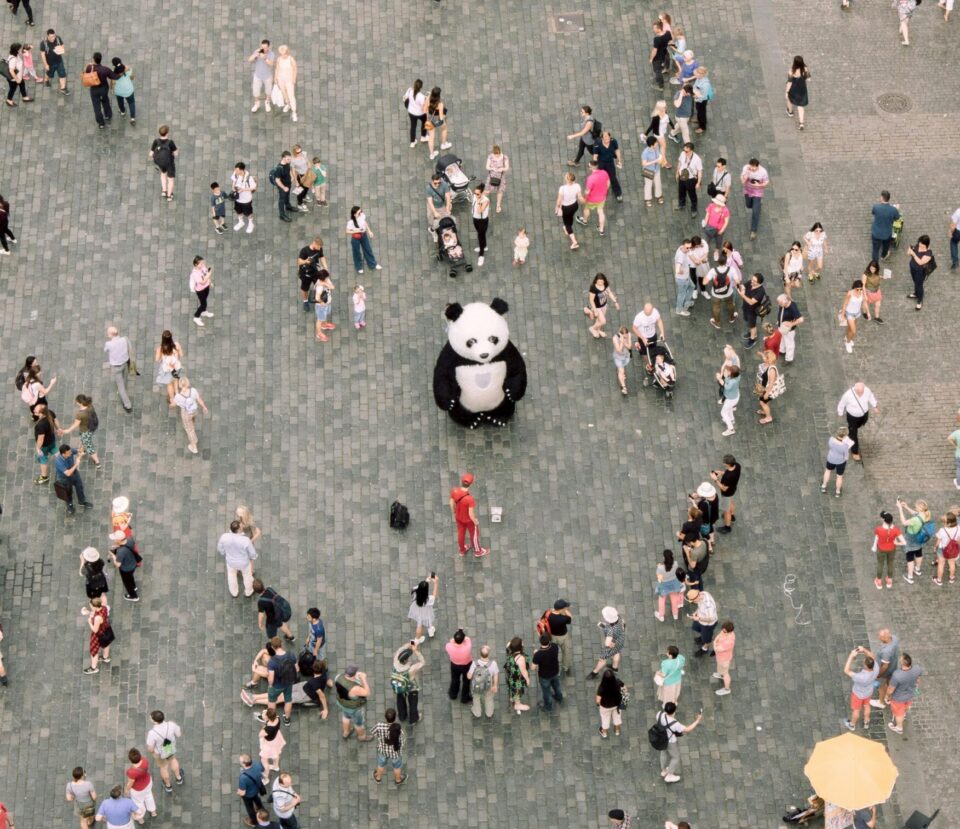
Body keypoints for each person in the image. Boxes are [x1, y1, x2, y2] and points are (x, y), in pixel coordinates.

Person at [656, 702, 703, 783]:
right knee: (675, 757)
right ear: (674, 711)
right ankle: (669, 775)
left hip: (661, 739)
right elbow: (688, 729)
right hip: (670, 742)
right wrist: (697, 720)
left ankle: (663, 771)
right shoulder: (675, 724)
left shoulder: (659, 714)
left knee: (663, 753)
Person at [836, 382, 878, 462]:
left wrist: (875, 406)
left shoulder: (866, 390)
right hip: (852, 417)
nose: (861, 393)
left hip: (864, 415)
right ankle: (855, 452)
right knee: (854, 433)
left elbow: (871, 397)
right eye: (860, 392)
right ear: (855, 390)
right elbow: (842, 404)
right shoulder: (848, 395)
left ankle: (851, 431)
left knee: (859, 426)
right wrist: (840, 413)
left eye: (862, 391)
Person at [449, 473, 488, 557]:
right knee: (474, 534)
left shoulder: (454, 491)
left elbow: (451, 503)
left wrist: (454, 511)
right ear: (471, 484)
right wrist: (475, 521)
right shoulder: (469, 499)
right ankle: (478, 551)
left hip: (458, 517)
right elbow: (470, 513)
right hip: (468, 520)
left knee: (461, 533)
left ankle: (462, 550)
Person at [897, 498, 934, 583]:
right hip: (920, 538)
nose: (915, 508)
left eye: (915, 507)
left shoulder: (915, 520)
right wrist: (906, 507)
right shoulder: (926, 514)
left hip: (911, 539)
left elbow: (904, 522)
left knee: (910, 557)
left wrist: (900, 508)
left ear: (918, 508)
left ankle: (910, 577)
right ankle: (917, 569)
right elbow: (915, 513)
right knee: (918, 553)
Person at [146, 711, 184, 794]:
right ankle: (179, 778)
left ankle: (168, 786)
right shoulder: (171, 725)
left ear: (154, 721)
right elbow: (179, 734)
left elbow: (151, 748)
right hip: (170, 748)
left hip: (160, 754)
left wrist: (152, 753)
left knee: (163, 767)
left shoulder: (152, 733)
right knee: (173, 760)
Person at [218, 520, 258, 597]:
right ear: (238, 530)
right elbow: (252, 553)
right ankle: (248, 591)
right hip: (244, 563)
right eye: (241, 526)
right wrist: (252, 558)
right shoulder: (245, 540)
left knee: (231, 575)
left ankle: (234, 592)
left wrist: (225, 554)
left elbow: (220, 549)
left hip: (231, 562)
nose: (242, 526)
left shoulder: (224, 537)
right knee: (247, 576)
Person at [843, 647, 879, 731]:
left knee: (856, 710)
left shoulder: (861, 677)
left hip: (858, 695)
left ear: (866, 666)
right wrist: (864, 650)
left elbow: (846, 671)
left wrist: (851, 656)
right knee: (867, 706)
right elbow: (872, 656)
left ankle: (852, 725)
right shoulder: (876, 668)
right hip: (868, 692)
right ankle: (866, 721)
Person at [884, 653, 923, 733]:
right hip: (910, 695)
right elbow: (918, 680)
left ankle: (899, 727)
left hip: (898, 698)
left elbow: (890, 689)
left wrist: (887, 696)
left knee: (898, 714)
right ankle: (903, 715)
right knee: (905, 708)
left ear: (902, 663)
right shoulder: (917, 668)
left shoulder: (897, 675)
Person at [334, 665, 373, 740]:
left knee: (346, 716)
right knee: (358, 723)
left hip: (342, 703)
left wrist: (356, 677)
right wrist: (363, 678)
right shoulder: (354, 688)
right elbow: (367, 693)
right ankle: (362, 737)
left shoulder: (338, 677)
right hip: (353, 708)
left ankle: (346, 732)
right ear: (353, 676)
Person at [173, 377, 208, 455]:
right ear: (187, 383)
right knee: (192, 420)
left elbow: (174, 404)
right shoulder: (193, 390)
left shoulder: (178, 397)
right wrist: (204, 407)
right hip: (194, 410)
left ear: (180, 386)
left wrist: (175, 392)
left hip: (186, 413)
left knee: (190, 430)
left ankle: (194, 446)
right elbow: (199, 399)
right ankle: (192, 422)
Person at [391, 641, 424, 725]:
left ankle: (402, 716)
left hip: (400, 686)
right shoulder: (411, 668)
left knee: (400, 700)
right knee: (413, 703)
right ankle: (413, 719)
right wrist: (415, 650)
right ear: (406, 660)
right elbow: (422, 662)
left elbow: (400, 649)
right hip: (411, 688)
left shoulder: (395, 661)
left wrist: (409, 644)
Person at [54, 444, 93, 515]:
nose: (71, 453)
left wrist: (81, 451)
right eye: (68, 453)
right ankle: (70, 506)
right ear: (63, 454)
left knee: (79, 487)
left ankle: (82, 501)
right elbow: (68, 473)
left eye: (70, 451)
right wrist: (76, 464)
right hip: (64, 479)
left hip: (74, 474)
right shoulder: (58, 462)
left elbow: (78, 451)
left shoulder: (70, 451)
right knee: (68, 493)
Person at [587, 606, 626, 677]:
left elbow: (607, 643)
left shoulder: (610, 630)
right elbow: (623, 626)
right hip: (620, 640)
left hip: (613, 644)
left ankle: (594, 673)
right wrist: (605, 627)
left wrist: (610, 643)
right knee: (617, 652)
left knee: (602, 659)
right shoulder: (619, 618)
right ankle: (615, 668)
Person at [103, 327, 134, 412]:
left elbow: (105, 350)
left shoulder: (109, 344)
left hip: (116, 367)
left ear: (110, 335)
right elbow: (130, 347)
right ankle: (125, 386)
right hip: (125, 362)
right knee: (125, 376)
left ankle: (128, 405)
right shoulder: (124, 339)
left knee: (120, 387)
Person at [372, 709, 407, 785]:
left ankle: (378, 778)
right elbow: (402, 742)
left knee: (381, 765)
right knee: (397, 767)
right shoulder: (398, 730)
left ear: (385, 717)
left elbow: (374, 734)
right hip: (395, 753)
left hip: (383, 750)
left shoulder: (379, 726)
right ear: (394, 719)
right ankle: (398, 780)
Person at [531, 632, 563, 711]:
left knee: (546, 691)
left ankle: (548, 706)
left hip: (544, 676)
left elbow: (532, 667)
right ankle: (559, 697)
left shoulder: (538, 654)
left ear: (540, 642)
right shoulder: (555, 647)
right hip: (555, 671)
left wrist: (535, 653)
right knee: (557, 686)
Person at [872, 511, 905, 590]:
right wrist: (897, 543)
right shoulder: (895, 530)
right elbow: (904, 542)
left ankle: (879, 581)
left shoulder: (878, 529)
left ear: (883, 520)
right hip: (891, 549)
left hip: (881, 549)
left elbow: (876, 538)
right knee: (890, 563)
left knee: (880, 564)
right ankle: (889, 580)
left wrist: (874, 546)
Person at [123, 748, 157, 822]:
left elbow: (130, 782)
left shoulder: (131, 772)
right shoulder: (145, 760)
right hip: (148, 783)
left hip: (138, 790)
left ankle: (140, 818)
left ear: (130, 760)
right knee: (149, 796)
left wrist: (126, 789)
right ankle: (153, 811)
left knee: (138, 803)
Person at [740, 158, 770, 241]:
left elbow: (766, 182)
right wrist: (745, 177)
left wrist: (759, 186)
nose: (752, 168)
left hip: (757, 193)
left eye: (754, 167)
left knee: (755, 212)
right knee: (748, 205)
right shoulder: (746, 168)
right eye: (751, 166)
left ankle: (753, 230)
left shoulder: (763, 172)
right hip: (747, 191)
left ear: (758, 166)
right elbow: (742, 181)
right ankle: (758, 205)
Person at [345, 206, 381, 274]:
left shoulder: (362, 216)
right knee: (356, 253)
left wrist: (369, 231)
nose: (361, 213)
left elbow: (364, 223)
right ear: (354, 214)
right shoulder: (351, 222)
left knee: (368, 249)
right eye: (359, 212)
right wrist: (356, 231)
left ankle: (372, 264)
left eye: (361, 211)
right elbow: (347, 231)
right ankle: (359, 267)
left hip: (363, 235)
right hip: (356, 238)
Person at [578, 160, 610, 235]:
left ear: (591, 168)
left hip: (591, 199)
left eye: (588, 166)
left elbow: (587, 192)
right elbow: (608, 182)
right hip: (602, 197)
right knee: (601, 212)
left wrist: (584, 198)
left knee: (586, 208)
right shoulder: (604, 172)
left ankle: (585, 221)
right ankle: (601, 229)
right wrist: (605, 191)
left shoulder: (591, 179)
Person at [584, 272, 620, 339]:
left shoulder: (605, 285)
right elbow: (591, 300)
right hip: (597, 307)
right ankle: (593, 328)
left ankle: (598, 330)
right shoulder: (593, 288)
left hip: (604, 305)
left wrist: (615, 302)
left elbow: (609, 293)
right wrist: (595, 310)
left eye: (601, 281)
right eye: (599, 282)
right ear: (596, 281)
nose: (600, 283)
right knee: (603, 321)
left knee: (599, 320)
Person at [467, 645, 499, 719]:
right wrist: (495, 685)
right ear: (489, 654)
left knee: (476, 698)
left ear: (480, 653)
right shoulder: (493, 664)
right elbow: (495, 675)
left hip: (477, 685)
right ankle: (489, 713)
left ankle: (477, 712)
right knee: (489, 698)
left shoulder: (474, 663)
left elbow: (469, 676)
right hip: (488, 684)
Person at [821, 426, 854, 498]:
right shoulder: (845, 446)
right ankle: (837, 491)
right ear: (845, 436)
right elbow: (846, 456)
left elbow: (830, 446)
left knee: (828, 471)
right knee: (839, 476)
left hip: (831, 458)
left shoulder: (831, 439)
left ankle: (824, 486)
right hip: (840, 462)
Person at [82, 596, 112, 674]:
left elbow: (95, 630)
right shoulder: (104, 608)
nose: (90, 607)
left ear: (95, 606)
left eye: (91, 606)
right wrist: (88, 612)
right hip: (106, 628)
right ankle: (106, 657)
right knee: (106, 643)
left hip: (99, 634)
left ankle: (93, 668)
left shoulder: (97, 618)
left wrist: (89, 622)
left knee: (94, 651)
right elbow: (95, 612)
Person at [712, 455, 741, 532]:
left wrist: (715, 480)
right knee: (730, 502)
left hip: (727, 493)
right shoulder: (737, 465)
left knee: (726, 510)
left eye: (724, 463)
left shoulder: (729, 477)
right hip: (732, 489)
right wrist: (722, 473)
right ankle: (732, 516)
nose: (723, 463)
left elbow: (724, 488)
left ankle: (727, 527)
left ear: (728, 464)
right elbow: (728, 472)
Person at [592, 131, 623, 203]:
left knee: (613, 178)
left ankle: (618, 193)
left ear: (610, 137)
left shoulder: (613, 141)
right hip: (601, 163)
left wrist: (619, 160)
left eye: (608, 138)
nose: (607, 140)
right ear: (602, 138)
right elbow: (595, 156)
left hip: (610, 162)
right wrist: (595, 167)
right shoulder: (597, 144)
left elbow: (617, 150)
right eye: (605, 139)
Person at [148, 125, 178, 201]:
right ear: (167, 133)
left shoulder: (156, 141)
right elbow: (176, 153)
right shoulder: (170, 142)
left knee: (163, 174)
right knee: (170, 179)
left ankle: (164, 191)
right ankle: (169, 196)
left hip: (160, 163)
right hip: (169, 163)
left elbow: (151, 154)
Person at [654, 549, 685, 621]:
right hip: (674, 584)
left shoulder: (660, 568)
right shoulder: (676, 564)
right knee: (674, 599)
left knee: (661, 600)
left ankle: (661, 616)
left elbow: (659, 577)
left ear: (664, 557)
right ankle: (675, 614)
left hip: (664, 586)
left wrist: (659, 566)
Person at [870, 191, 901, 262]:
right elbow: (897, 218)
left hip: (876, 233)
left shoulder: (876, 207)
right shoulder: (893, 210)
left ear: (881, 198)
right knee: (886, 246)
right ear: (888, 199)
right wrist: (897, 209)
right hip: (887, 234)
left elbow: (873, 213)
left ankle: (875, 263)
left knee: (875, 249)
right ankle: (883, 256)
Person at [257, 708, 286, 783]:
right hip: (276, 739)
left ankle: (265, 778)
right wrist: (266, 714)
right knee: (276, 754)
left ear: (268, 717)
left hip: (269, 744)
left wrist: (265, 722)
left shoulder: (268, 729)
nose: (262, 714)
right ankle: (275, 766)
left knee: (264, 761)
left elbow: (260, 734)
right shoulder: (277, 717)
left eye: (264, 714)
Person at [33, 403, 59, 484]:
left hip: (44, 446)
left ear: (41, 413)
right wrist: (59, 429)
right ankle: (64, 461)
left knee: (42, 459)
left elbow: (41, 438)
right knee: (54, 450)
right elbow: (56, 420)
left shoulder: (40, 425)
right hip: (51, 440)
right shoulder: (49, 412)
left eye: (35, 411)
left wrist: (38, 448)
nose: (34, 411)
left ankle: (44, 477)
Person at [555, 171, 582, 250]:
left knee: (567, 223)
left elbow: (559, 199)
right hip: (574, 205)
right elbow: (579, 196)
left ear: (567, 180)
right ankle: (568, 228)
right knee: (570, 217)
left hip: (566, 207)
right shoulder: (577, 186)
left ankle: (574, 241)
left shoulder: (562, 188)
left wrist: (557, 207)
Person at [109, 530, 139, 601]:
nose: (114, 540)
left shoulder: (120, 552)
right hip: (133, 563)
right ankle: (134, 587)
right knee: (130, 577)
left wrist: (113, 555)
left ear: (118, 540)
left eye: (115, 539)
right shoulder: (130, 539)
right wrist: (117, 546)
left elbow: (118, 564)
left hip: (126, 569)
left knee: (127, 583)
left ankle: (134, 596)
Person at [236, 755, 266, 827]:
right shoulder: (257, 764)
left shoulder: (243, 777)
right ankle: (261, 809)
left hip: (249, 795)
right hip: (257, 788)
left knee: (249, 807)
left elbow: (242, 793)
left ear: (244, 764)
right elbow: (263, 770)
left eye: (240, 761)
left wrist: (238, 792)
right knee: (257, 799)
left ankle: (254, 821)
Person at [445, 628, 473, 704]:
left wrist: (457, 634)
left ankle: (453, 694)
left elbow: (451, 640)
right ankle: (465, 697)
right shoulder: (468, 646)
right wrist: (461, 632)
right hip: (466, 665)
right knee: (466, 681)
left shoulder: (449, 646)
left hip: (454, 665)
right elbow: (467, 638)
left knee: (455, 679)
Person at [906, 235, 934, 311]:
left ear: (926, 244)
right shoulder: (918, 245)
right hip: (913, 267)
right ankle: (916, 293)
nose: (919, 245)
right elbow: (909, 253)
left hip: (920, 271)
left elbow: (920, 262)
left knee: (919, 285)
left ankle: (920, 300)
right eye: (919, 243)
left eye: (921, 244)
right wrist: (909, 251)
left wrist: (913, 254)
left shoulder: (928, 253)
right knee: (915, 282)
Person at [595, 668, 625, 738]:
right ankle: (617, 731)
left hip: (605, 706)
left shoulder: (602, 687)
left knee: (605, 719)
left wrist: (598, 705)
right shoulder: (618, 682)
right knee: (617, 717)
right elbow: (625, 690)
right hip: (617, 704)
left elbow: (598, 700)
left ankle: (604, 733)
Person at [686, 589, 718, 655]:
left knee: (707, 640)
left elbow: (711, 619)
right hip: (701, 619)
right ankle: (702, 637)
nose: (693, 602)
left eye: (693, 601)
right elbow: (700, 607)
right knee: (695, 627)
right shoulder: (703, 593)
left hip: (708, 625)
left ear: (697, 597)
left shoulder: (708, 606)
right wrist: (695, 613)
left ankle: (704, 649)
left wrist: (698, 618)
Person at [408, 574, 438, 641]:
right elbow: (434, 594)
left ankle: (417, 639)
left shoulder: (415, 591)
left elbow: (420, 587)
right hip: (426, 611)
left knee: (419, 624)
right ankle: (429, 632)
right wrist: (435, 583)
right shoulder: (428, 599)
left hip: (417, 609)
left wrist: (427, 580)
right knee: (428, 620)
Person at [504, 636, 531, 714]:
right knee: (517, 691)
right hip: (517, 679)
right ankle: (517, 704)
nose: (523, 643)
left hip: (510, 674)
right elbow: (523, 671)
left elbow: (510, 643)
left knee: (512, 688)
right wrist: (527, 679)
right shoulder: (520, 659)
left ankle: (512, 697)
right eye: (521, 643)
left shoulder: (509, 647)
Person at [675, 142, 703, 215]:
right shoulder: (682, 153)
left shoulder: (697, 159)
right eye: (684, 150)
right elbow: (680, 162)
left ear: (691, 150)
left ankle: (694, 208)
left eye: (686, 151)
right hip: (682, 176)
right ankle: (681, 204)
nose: (685, 152)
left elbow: (699, 171)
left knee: (692, 194)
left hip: (690, 179)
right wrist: (677, 172)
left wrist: (698, 182)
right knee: (681, 191)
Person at [756, 349, 782, 425]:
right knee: (763, 402)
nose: (763, 358)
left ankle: (768, 417)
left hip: (767, 390)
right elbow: (764, 356)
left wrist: (766, 394)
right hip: (763, 387)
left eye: (765, 357)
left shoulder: (771, 370)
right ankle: (764, 411)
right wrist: (761, 354)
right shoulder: (767, 363)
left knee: (763, 403)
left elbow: (771, 384)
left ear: (768, 360)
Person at [933, 511, 960, 586]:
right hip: (954, 550)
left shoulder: (942, 530)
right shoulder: (959, 528)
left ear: (949, 523)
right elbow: (959, 540)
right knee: (952, 563)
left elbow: (938, 541)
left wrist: (935, 547)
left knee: (941, 564)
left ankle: (939, 580)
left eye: (944, 522)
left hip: (942, 550)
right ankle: (951, 578)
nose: (943, 523)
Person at [424, 87, 452, 160]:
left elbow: (424, 110)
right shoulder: (440, 104)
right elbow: (441, 117)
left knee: (431, 137)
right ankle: (444, 144)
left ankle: (432, 154)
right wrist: (444, 116)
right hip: (438, 121)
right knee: (444, 129)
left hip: (429, 121)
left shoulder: (428, 98)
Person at [39, 29, 69, 94]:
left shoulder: (58, 38)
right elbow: (42, 54)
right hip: (50, 63)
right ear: (47, 36)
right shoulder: (43, 43)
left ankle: (63, 88)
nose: (53, 38)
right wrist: (46, 64)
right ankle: (46, 80)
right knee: (49, 74)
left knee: (62, 74)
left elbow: (62, 45)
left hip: (59, 61)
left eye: (54, 36)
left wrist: (61, 49)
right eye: (51, 37)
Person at [838, 280, 865, 353]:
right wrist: (843, 315)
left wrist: (866, 312)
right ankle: (848, 342)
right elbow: (845, 304)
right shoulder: (850, 293)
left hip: (857, 313)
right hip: (849, 313)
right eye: (857, 289)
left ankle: (847, 337)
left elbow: (863, 302)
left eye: (861, 289)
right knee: (853, 331)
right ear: (854, 288)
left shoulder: (862, 292)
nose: (859, 291)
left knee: (850, 328)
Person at [776, 293, 804, 363]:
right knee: (782, 338)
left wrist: (791, 324)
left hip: (788, 330)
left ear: (786, 301)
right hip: (782, 327)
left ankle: (789, 359)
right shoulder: (784, 304)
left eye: (780, 303)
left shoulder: (792, 308)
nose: (779, 304)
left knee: (789, 344)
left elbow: (801, 319)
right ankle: (782, 350)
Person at [272, 45, 297, 121]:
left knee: (291, 95)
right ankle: (287, 104)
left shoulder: (291, 59)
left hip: (289, 80)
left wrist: (294, 79)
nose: (283, 55)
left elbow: (295, 69)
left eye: (284, 53)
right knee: (284, 93)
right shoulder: (279, 59)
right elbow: (277, 69)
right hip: (281, 79)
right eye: (281, 53)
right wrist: (275, 78)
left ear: (287, 52)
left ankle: (294, 112)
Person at [231, 162, 257, 234]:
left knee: (248, 213)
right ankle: (241, 222)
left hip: (246, 200)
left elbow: (253, 187)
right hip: (238, 198)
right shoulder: (236, 174)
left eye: (237, 170)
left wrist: (243, 189)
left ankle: (251, 224)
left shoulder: (249, 178)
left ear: (241, 170)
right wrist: (233, 187)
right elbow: (233, 181)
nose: (235, 171)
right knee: (238, 211)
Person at [249, 40, 275, 113]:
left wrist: (265, 58)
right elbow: (249, 60)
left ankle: (267, 102)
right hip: (258, 76)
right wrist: (255, 56)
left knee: (268, 91)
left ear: (269, 47)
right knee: (256, 91)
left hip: (267, 76)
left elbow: (271, 64)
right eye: (261, 47)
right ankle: (257, 103)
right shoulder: (257, 51)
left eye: (265, 47)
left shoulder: (271, 54)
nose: (263, 49)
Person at [785, 56, 810, 129]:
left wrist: (786, 92)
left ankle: (790, 112)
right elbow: (809, 79)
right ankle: (801, 123)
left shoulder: (791, 71)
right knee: (800, 106)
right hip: (802, 89)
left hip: (794, 89)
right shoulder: (805, 69)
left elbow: (789, 83)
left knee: (789, 98)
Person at [189, 255, 214, 327]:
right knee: (203, 304)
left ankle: (203, 311)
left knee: (204, 300)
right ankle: (196, 317)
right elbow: (202, 282)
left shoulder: (202, 267)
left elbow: (205, 274)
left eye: (203, 263)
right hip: (200, 290)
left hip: (206, 287)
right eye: (201, 264)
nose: (203, 265)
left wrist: (209, 282)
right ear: (196, 264)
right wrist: (209, 275)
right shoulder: (195, 274)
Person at [641, 135, 666, 209]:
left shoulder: (656, 147)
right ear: (652, 145)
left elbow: (659, 154)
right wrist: (655, 161)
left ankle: (659, 196)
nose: (657, 143)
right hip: (648, 170)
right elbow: (644, 163)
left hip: (657, 169)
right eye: (655, 143)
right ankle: (648, 199)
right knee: (648, 184)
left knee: (658, 183)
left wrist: (662, 159)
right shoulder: (645, 153)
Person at [712, 621, 736, 695]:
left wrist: (714, 643)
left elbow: (717, 649)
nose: (722, 631)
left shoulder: (729, 641)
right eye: (722, 629)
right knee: (719, 667)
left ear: (729, 631)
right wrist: (715, 642)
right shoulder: (725, 632)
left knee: (726, 673)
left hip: (724, 659)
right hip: (720, 657)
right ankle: (720, 674)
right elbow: (718, 636)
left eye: (724, 631)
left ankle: (727, 689)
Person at [485, 144, 510, 212]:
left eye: (498, 154)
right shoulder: (490, 156)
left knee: (500, 191)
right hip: (492, 176)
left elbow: (507, 167)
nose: (496, 155)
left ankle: (498, 206)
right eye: (495, 154)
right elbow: (487, 167)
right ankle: (483, 201)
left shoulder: (504, 157)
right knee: (487, 190)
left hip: (501, 177)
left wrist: (502, 169)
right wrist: (492, 168)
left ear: (500, 151)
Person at [471, 183, 491, 266]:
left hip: (482, 221)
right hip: (475, 219)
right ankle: (484, 246)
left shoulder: (485, 201)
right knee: (481, 234)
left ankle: (481, 254)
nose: (475, 195)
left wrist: (479, 202)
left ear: (481, 193)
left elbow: (480, 211)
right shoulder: (476, 196)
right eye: (475, 193)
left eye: (477, 194)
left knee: (480, 236)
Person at [111, 59, 136, 124]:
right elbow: (132, 78)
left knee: (120, 101)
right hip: (128, 90)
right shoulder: (127, 69)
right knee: (131, 103)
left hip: (118, 91)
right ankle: (132, 118)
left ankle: (122, 112)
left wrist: (112, 89)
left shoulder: (113, 73)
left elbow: (113, 83)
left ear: (113, 65)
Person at [403, 79, 427, 147]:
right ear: (421, 87)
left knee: (413, 126)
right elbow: (423, 108)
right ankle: (423, 136)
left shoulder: (410, 90)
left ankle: (412, 142)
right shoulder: (421, 96)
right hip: (420, 113)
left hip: (411, 112)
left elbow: (405, 97)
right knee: (424, 122)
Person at [611, 326, 633, 396]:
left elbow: (629, 347)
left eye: (626, 336)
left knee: (621, 369)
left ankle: (619, 372)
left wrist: (624, 341)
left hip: (626, 356)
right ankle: (624, 387)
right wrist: (621, 341)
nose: (625, 337)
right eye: (624, 336)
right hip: (618, 357)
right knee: (621, 371)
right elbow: (619, 351)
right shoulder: (615, 338)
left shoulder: (629, 334)